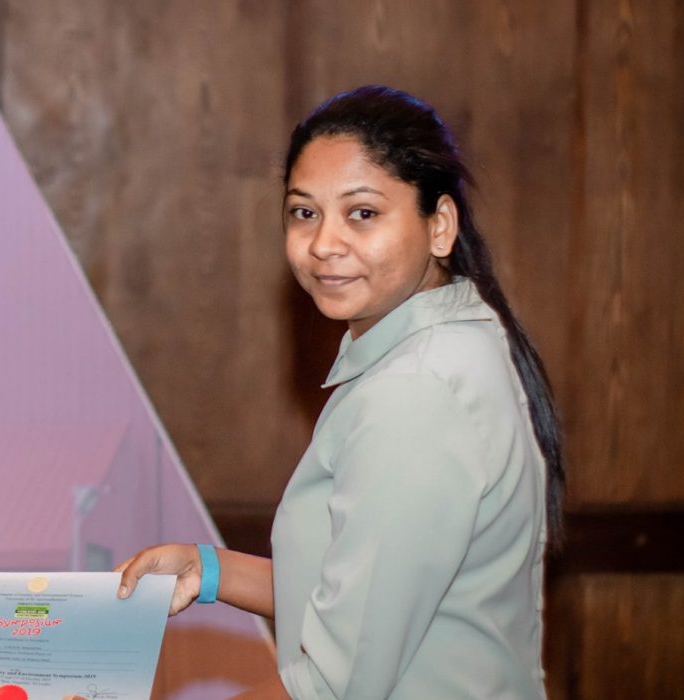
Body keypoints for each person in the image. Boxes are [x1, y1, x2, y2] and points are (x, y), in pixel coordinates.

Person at [116, 85, 564, 700]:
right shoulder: (444, 347)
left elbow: (333, 684)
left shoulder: (416, 392)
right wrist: (208, 568)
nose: (324, 243)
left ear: (439, 226)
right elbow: (369, 593)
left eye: (363, 213)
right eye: (304, 213)